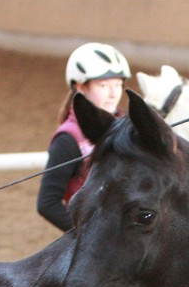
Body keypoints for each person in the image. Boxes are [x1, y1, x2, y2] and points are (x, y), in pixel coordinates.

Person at [36, 42, 130, 232]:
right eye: (103, 85)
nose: (113, 94)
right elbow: (47, 203)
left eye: (118, 85)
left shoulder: (127, 125)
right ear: (80, 88)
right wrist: (88, 234)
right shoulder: (67, 140)